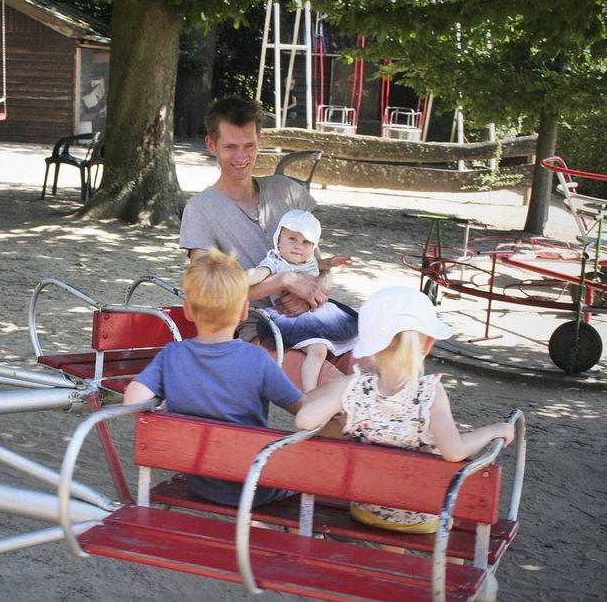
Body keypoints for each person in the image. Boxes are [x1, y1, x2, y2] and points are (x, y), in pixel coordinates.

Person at [295, 286, 515, 533]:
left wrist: (336, 397)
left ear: (370, 347)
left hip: (367, 507)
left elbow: (304, 420)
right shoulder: (430, 393)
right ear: (428, 344)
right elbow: (454, 451)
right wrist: (492, 430)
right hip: (420, 515)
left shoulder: (353, 387)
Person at [123, 249, 312, 507]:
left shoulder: (171, 356)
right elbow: (303, 411)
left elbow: (132, 401)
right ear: (245, 310)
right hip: (257, 487)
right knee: (310, 471)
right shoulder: (256, 360)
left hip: (202, 482)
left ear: (188, 311)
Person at [179, 95, 353, 372]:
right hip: (258, 326)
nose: (241, 157)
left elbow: (317, 265)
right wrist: (284, 281)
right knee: (335, 392)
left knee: (375, 373)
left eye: (249, 145)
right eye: (230, 147)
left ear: (259, 139)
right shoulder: (200, 209)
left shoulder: (286, 190)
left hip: (314, 315)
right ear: (212, 145)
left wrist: (314, 288)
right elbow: (208, 296)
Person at [247, 209, 358, 391]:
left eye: (306, 242)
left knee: (356, 334)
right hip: (290, 317)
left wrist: (330, 263)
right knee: (318, 350)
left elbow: (317, 266)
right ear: (278, 239)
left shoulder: (307, 261)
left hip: (315, 312)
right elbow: (257, 275)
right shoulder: (275, 262)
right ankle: (309, 392)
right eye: (292, 239)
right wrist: (235, 279)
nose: (298, 246)